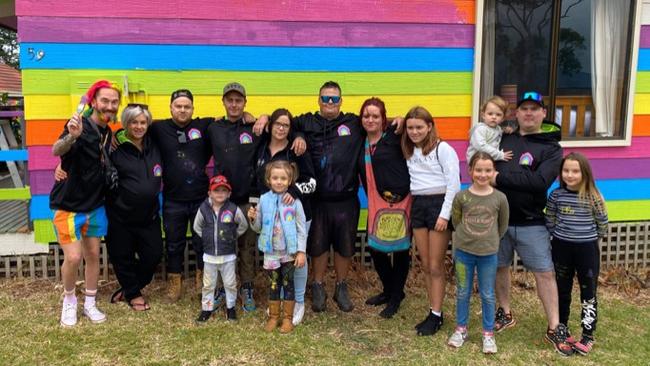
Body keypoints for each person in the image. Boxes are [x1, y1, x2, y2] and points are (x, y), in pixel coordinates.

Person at [492, 91, 573, 356]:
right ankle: (504, 312)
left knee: (545, 273)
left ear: (543, 114)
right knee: (499, 268)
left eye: (534, 109)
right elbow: (480, 156)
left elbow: (539, 183)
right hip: (498, 220)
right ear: (516, 113)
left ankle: (554, 325)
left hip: (531, 222)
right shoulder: (503, 138)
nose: (528, 113)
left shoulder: (551, 148)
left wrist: (499, 179)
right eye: (524, 108)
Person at [50, 80, 120, 327]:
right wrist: (71, 136)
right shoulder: (79, 125)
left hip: (96, 205)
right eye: (105, 101)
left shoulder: (107, 131)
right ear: (93, 102)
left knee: (93, 255)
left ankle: (90, 302)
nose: (110, 106)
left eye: (114, 102)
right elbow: (56, 149)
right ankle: (69, 300)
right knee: (73, 257)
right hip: (68, 206)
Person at [289, 81, 363, 313]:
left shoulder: (354, 123)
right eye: (325, 98)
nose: (329, 102)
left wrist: (399, 120)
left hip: (347, 198)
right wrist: (299, 134)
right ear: (318, 100)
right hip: (317, 199)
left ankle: (341, 286)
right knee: (318, 246)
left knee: (345, 247)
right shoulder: (307, 122)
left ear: (341, 101)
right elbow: (282, 123)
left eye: (334, 99)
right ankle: (318, 285)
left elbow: (379, 123)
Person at [148, 89, 213, 303]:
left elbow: (228, 122)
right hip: (173, 199)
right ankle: (174, 283)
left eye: (187, 106)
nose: (183, 110)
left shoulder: (204, 126)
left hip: (201, 198)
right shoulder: (158, 128)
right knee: (174, 244)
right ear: (171, 108)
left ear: (193, 109)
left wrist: (253, 117)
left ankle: (203, 281)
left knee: (202, 242)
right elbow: (132, 128)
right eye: (178, 106)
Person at [253, 108, 316, 325]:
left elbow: (312, 181)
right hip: (270, 217)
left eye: (286, 125)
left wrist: (294, 191)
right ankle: (279, 301)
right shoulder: (261, 147)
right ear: (270, 125)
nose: (281, 128)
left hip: (296, 215)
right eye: (277, 124)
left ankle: (297, 301)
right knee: (277, 260)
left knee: (296, 257)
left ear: (291, 129)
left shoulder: (296, 150)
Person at [402, 106, 460, 336]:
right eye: (410, 127)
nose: (414, 132)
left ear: (429, 126)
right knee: (425, 264)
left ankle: (436, 315)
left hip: (439, 205)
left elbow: (454, 184)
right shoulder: (408, 149)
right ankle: (433, 309)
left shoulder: (442, 149)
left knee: (435, 265)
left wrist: (445, 215)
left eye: (419, 127)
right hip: (418, 204)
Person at [206, 82, 265, 312]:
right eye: (229, 100)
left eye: (238, 100)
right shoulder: (214, 128)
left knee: (247, 246)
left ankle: (247, 286)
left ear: (244, 103)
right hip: (223, 199)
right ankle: (222, 287)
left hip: (249, 198)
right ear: (223, 102)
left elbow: (283, 124)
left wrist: (264, 116)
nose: (234, 104)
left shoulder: (254, 128)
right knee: (223, 245)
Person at [545, 152, 608, 355]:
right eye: (566, 170)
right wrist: (559, 236)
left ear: (585, 173)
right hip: (562, 248)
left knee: (587, 293)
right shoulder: (556, 195)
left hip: (587, 250)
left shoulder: (593, 196)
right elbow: (550, 220)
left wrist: (589, 239)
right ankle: (561, 328)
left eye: (575, 171)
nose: (570, 175)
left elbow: (602, 224)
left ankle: (587, 335)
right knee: (562, 291)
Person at [447, 152, 509, 354]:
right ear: (470, 171)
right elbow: (456, 222)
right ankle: (461, 329)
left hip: (488, 254)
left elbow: (502, 226)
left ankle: (488, 333)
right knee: (463, 291)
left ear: (493, 172)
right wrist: (467, 237)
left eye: (488, 170)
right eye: (479, 170)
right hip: (464, 253)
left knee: (488, 294)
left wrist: (489, 240)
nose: (483, 174)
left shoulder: (500, 198)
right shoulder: (462, 197)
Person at [104, 103, 163, 311]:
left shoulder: (154, 143)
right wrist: (61, 164)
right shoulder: (112, 146)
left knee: (154, 254)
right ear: (126, 123)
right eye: (134, 122)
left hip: (150, 215)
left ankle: (130, 287)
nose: (139, 126)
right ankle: (134, 294)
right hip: (121, 215)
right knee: (123, 257)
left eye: (143, 122)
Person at [357, 98, 412, 319]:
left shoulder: (394, 137)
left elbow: (417, 125)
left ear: (383, 118)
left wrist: (403, 119)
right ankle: (389, 289)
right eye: (366, 115)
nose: (370, 119)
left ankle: (396, 295)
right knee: (376, 248)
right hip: (374, 200)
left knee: (399, 249)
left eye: (375, 116)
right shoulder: (359, 140)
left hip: (399, 201)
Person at [249, 160, 307, 333]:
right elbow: (258, 227)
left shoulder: (294, 201)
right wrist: (253, 218)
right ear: (269, 180)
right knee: (274, 285)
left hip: (289, 254)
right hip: (271, 253)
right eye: (275, 178)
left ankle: (287, 319)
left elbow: (301, 228)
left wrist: (301, 252)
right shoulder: (264, 200)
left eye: (283, 178)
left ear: (289, 181)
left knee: (288, 285)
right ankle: (274, 317)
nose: (279, 181)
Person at [194, 175, 248, 322]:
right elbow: (197, 226)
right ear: (209, 193)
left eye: (224, 190)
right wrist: (207, 237)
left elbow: (243, 224)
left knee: (230, 284)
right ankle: (206, 309)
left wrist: (233, 235)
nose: (220, 193)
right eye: (216, 190)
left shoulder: (232, 209)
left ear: (229, 193)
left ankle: (230, 308)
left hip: (228, 255)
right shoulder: (203, 209)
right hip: (209, 256)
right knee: (208, 285)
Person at [465, 96, 513, 162]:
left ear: (503, 118)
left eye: (498, 115)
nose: (494, 117)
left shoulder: (498, 129)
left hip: (488, 161)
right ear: (483, 115)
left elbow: (496, 133)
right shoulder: (480, 129)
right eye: (490, 114)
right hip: (476, 162)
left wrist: (505, 130)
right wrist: (500, 155)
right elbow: (481, 147)